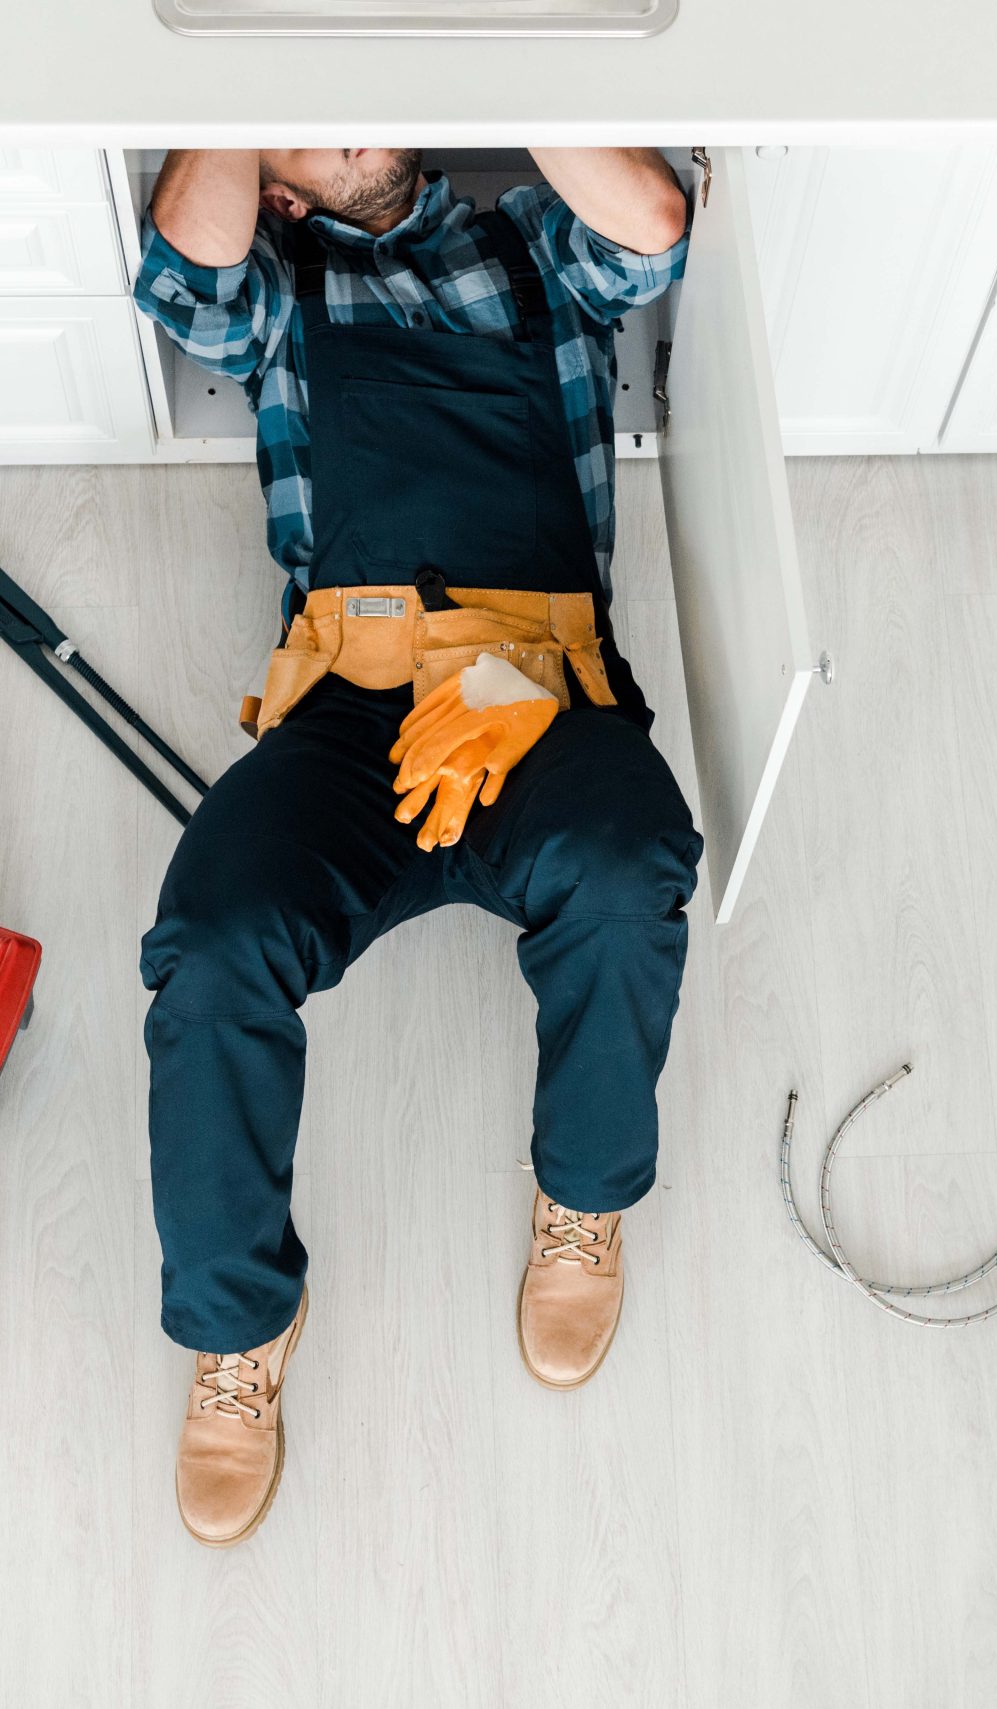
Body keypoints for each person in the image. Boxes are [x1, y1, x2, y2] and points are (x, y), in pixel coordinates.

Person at [132, 147, 704, 1547]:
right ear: (273, 186)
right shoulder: (281, 294)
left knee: (633, 867)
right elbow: (182, 280)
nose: (350, 129)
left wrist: (474, 45)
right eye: (310, 133)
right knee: (209, 952)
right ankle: (240, 1322)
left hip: (534, 698)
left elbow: (654, 229)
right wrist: (256, 95)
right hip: (352, 715)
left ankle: (584, 1197)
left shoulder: (535, 251)